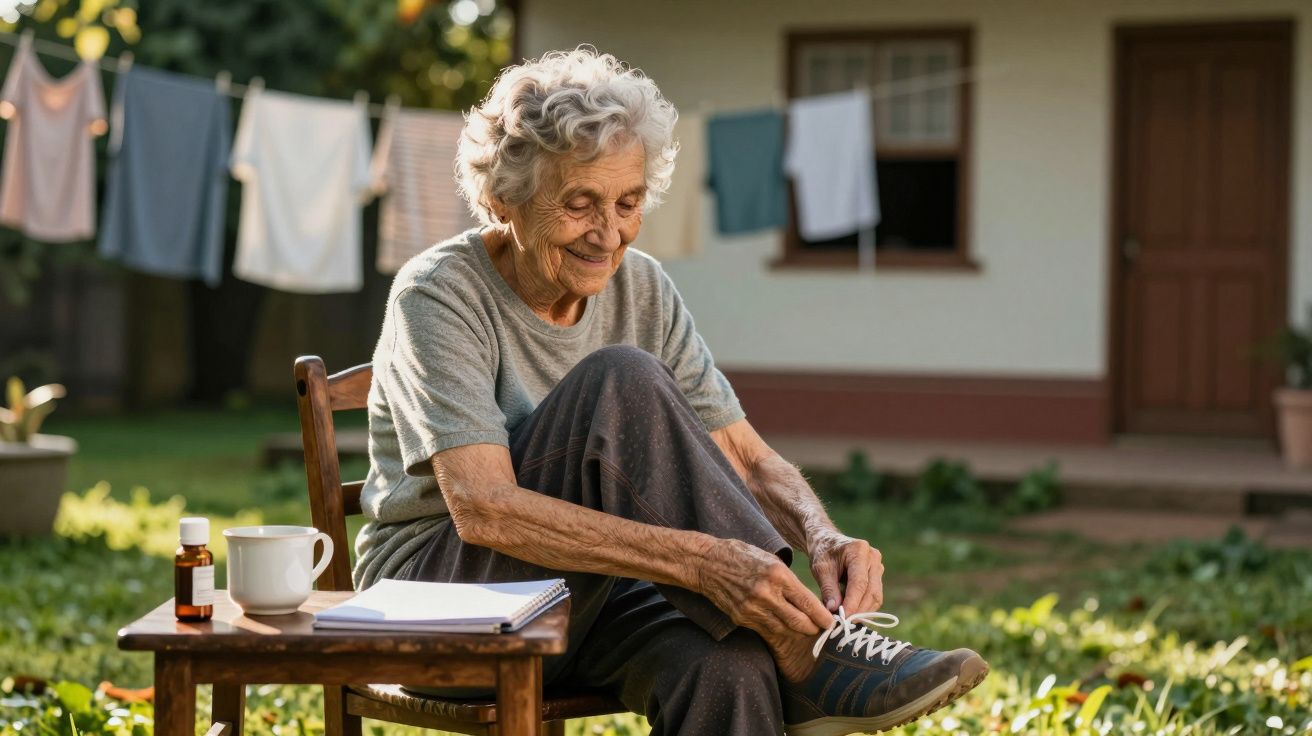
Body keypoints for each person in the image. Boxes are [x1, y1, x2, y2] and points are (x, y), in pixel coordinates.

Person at [355, 47, 988, 736]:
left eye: (627, 203)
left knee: (731, 664)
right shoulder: (439, 292)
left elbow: (742, 457)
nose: (608, 234)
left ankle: (793, 647)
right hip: (437, 612)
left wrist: (820, 530)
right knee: (620, 380)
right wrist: (704, 563)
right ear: (502, 199)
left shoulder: (643, 286)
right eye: (578, 204)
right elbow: (486, 510)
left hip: (579, 602)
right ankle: (809, 651)